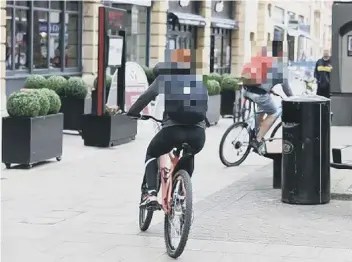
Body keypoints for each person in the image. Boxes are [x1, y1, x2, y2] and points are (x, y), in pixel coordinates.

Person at [127, 49, 207, 209]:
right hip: (198, 135)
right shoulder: (198, 81)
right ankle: (181, 192)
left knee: (152, 152)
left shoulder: (166, 78)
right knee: (189, 154)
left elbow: (146, 97)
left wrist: (132, 112)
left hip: (173, 131)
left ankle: (150, 194)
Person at [241, 46, 293, 154]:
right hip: (259, 94)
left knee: (263, 108)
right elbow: (286, 88)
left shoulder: (264, 62)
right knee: (273, 112)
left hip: (246, 90)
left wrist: (269, 90)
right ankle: (258, 139)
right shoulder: (281, 68)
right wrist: (292, 97)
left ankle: (255, 131)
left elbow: (263, 80)